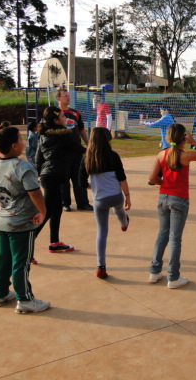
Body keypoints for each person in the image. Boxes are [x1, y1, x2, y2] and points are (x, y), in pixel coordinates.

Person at [0, 126, 50, 314]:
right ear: (14, 146)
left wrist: (0, 211)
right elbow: (35, 192)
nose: (23, 142)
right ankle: (25, 299)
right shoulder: (23, 166)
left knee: (3, 259)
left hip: (2, 221)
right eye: (21, 139)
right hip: (21, 223)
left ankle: (0, 293)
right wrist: (43, 211)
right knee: (21, 262)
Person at [148, 123, 196, 288]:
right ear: (183, 138)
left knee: (162, 235)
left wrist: (164, 183)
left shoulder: (161, 154)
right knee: (175, 239)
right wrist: (195, 141)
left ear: (168, 137)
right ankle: (173, 277)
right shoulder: (185, 155)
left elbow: (152, 178)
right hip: (179, 199)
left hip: (163, 197)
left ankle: (154, 272)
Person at [79, 127, 131, 279]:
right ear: (108, 139)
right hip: (116, 196)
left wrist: (92, 186)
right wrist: (127, 195)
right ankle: (124, 222)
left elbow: (81, 182)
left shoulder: (87, 157)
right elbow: (122, 178)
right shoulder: (114, 156)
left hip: (99, 200)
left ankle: (101, 266)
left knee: (102, 231)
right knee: (119, 207)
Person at [35, 106, 78, 253]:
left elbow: (38, 157)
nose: (65, 119)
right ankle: (26, 243)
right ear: (55, 120)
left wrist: (37, 173)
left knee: (57, 209)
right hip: (53, 177)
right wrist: (97, 152)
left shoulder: (43, 135)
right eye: (62, 116)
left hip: (48, 177)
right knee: (46, 212)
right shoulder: (65, 135)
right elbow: (78, 150)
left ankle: (54, 242)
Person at [56, 87, 92, 212]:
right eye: (65, 95)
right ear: (58, 98)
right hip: (61, 153)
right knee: (64, 180)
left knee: (79, 177)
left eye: (68, 95)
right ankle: (65, 203)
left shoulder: (75, 113)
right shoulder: (53, 113)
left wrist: (88, 144)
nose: (68, 97)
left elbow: (81, 129)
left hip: (77, 152)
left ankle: (83, 203)